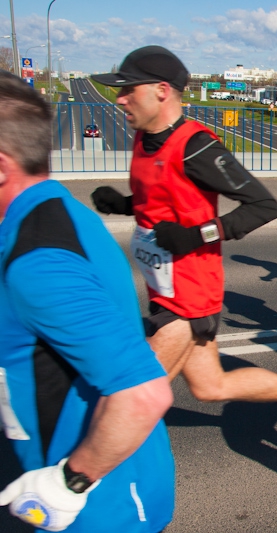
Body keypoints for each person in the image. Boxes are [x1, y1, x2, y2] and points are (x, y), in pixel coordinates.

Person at [89, 46, 277, 440]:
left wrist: (197, 235)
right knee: (210, 386)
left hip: (189, 298)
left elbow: (264, 206)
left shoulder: (196, 146)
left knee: (131, 402)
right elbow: (166, 200)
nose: (120, 97)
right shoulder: (143, 139)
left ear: (162, 90)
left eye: (128, 89)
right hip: (162, 288)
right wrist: (126, 204)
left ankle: (83, 485)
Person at [0, 71, 174, 532]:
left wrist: (68, 483)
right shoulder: (55, 210)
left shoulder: (38, 261)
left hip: (89, 510)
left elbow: (143, 393)